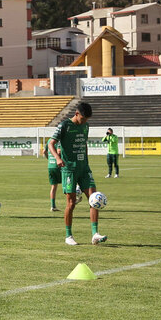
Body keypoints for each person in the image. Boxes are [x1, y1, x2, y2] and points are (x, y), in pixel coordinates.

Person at [50, 101, 107, 246]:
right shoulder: (64, 126)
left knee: (94, 198)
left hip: (84, 169)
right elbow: (51, 143)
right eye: (83, 118)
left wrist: (87, 163)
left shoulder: (85, 126)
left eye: (87, 119)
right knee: (71, 203)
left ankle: (95, 234)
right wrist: (57, 158)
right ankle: (68, 235)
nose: (85, 121)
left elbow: (84, 144)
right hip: (69, 169)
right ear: (76, 114)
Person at [46, 136, 62, 211]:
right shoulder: (59, 140)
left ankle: (53, 206)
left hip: (50, 166)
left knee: (53, 187)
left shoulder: (49, 140)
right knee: (68, 183)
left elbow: (44, 152)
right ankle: (73, 200)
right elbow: (59, 151)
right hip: (58, 166)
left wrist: (49, 159)